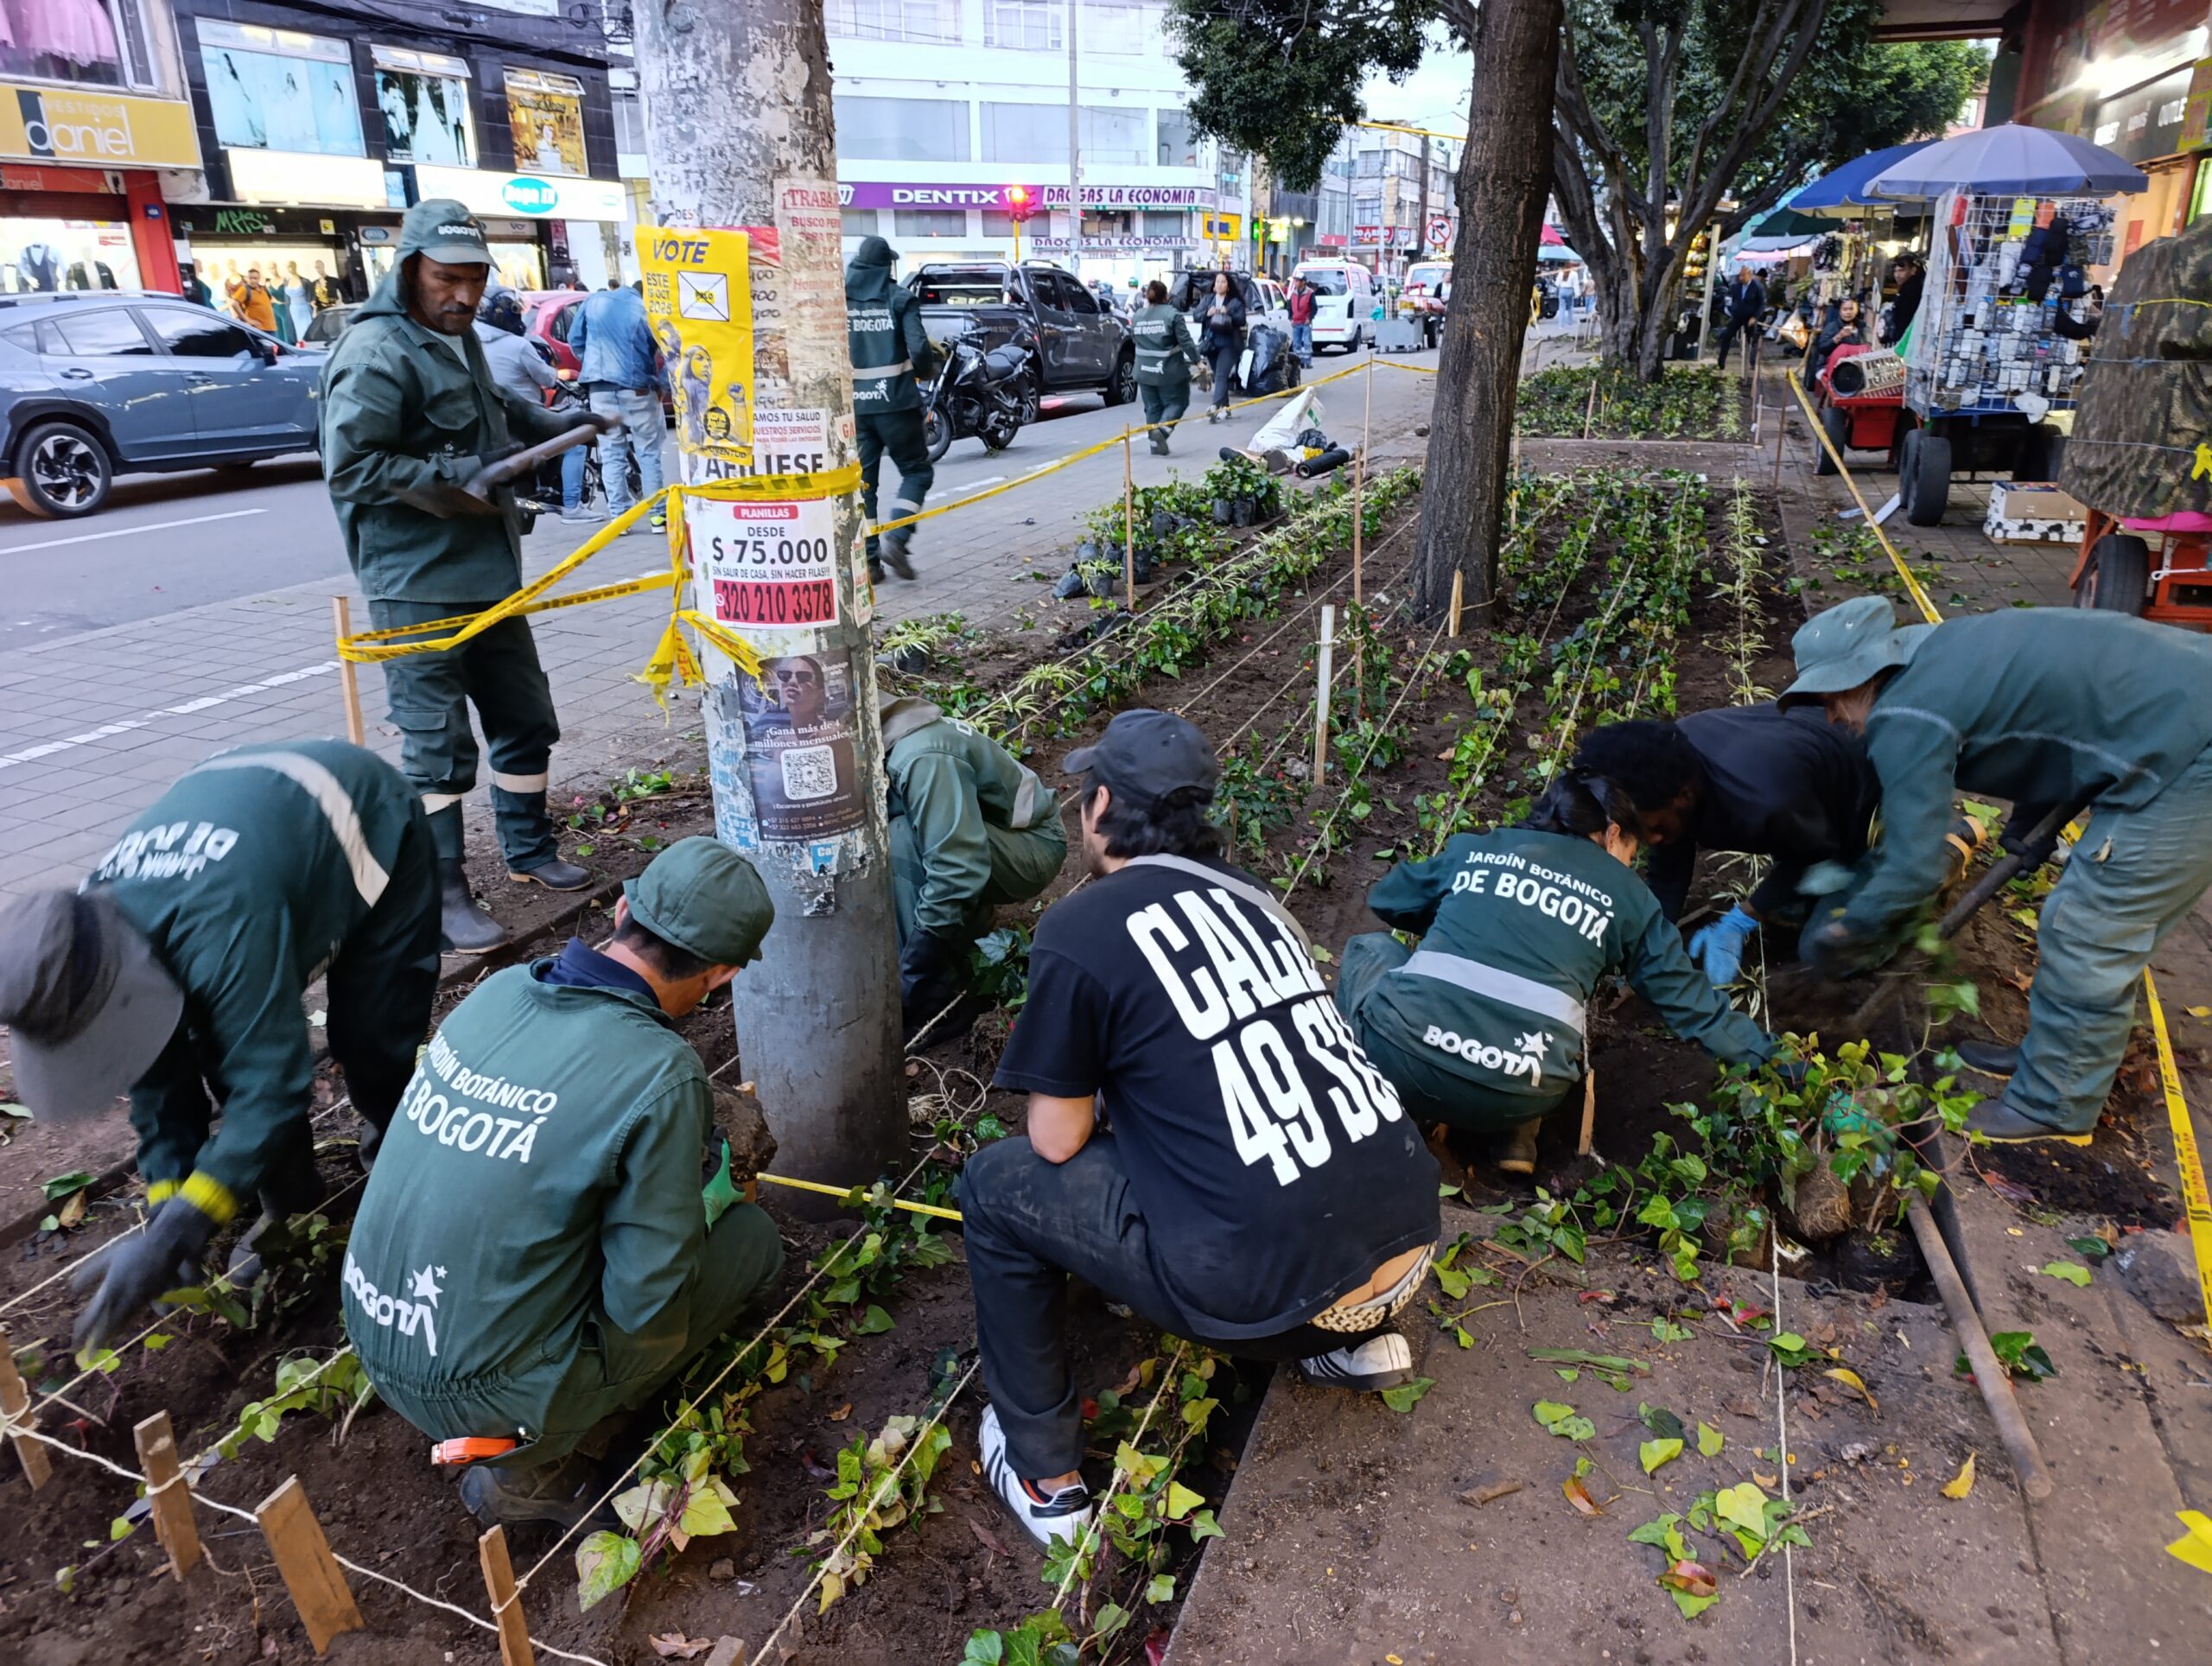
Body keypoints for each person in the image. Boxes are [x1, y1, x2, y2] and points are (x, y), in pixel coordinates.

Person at [960, 709, 1440, 1549]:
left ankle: (1043, 1469)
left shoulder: (1080, 926)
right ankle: (1354, 1342)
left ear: (1099, 803)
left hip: (1258, 1299)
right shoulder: (1251, 898)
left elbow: (1057, 1139)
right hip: (1407, 1254)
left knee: (996, 1185)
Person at [343, 837, 785, 1529]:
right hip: (484, 1396)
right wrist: (698, 1209)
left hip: (373, 1332)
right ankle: (534, 1465)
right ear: (723, 975)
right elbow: (646, 1306)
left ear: (620, 909)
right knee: (753, 1243)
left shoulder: (498, 992)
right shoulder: (659, 1071)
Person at [0, 741, 440, 1351]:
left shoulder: (221, 919)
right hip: (256, 832)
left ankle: (408, 1175)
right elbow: (155, 1080)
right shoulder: (91, 927)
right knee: (211, 1048)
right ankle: (294, 1210)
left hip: (370, 818)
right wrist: (165, 1210)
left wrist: (183, 1229)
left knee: (370, 1044)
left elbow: (271, 1090)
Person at [1781, 595, 2212, 1142]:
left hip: (2194, 748)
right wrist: (2027, 826)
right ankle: (2055, 1058)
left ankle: (2054, 1103)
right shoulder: (1943, 653)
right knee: (2080, 922)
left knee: (2090, 928)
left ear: (1860, 679)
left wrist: (1852, 929)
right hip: (2175, 710)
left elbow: (1914, 866)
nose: (1834, 719)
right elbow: (2051, 720)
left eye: (1831, 700)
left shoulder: (1907, 712)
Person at [321, 200, 618, 953]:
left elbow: (492, 409)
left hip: (489, 575)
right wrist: (463, 473)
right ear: (409, 270)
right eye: (446, 279)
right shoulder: (375, 352)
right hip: (416, 582)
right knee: (437, 745)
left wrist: (553, 425)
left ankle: (528, 848)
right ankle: (443, 892)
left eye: (475, 280)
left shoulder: (457, 340)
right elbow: (352, 465)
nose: (463, 295)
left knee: (524, 715)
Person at [1334, 747, 1778, 1175]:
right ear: (1611, 834)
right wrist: (1780, 1067)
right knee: (1557, 1006)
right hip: (1521, 1091)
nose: (1629, 864)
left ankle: (1357, 1106)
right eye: (1632, 851)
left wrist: (1471, 912)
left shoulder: (1482, 849)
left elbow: (1388, 898)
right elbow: (1693, 1008)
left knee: (1371, 950)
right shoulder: (1628, 898)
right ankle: (1515, 1136)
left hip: (1402, 1060)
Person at [1573, 709, 1880, 986]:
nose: (1650, 840)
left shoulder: (1762, 801)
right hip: (1811, 790)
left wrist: (1742, 917)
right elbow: (1669, 867)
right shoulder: (1668, 764)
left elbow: (1812, 854)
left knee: (1820, 949)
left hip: (1871, 810)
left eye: (1653, 829)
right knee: (1789, 897)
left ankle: (1895, 908)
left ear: (1684, 797)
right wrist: (1646, 948)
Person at [882, 693, 1067, 1036]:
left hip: (1035, 845)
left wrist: (916, 973)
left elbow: (957, 869)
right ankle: (966, 932)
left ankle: (938, 1002)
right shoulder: (896, 733)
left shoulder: (921, 756)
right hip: (995, 836)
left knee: (901, 843)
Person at [846, 235, 938, 584]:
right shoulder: (900, 298)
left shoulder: (840, 300)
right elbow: (919, 348)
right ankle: (897, 539)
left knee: (864, 485)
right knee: (917, 472)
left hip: (856, 410)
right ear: (886, 266)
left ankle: (870, 564)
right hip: (897, 404)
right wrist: (926, 372)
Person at [474, 290, 591, 521]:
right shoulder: (519, 345)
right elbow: (547, 379)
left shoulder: (472, 343)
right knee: (575, 444)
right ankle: (572, 507)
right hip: (527, 418)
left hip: (490, 420)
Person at [569, 276, 667, 534]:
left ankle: (620, 520)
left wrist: (592, 365)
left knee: (611, 454)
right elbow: (663, 350)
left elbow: (575, 340)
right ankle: (657, 517)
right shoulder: (645, 310)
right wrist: (660, 384)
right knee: (648, 452)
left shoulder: (594, 301)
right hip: (637, 389)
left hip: (599, 389)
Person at [1128, 277, 1204, 456]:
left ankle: (1155, 446)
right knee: (1178, 401)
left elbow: (1134, 339)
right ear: (1166, 297)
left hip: (1144, 372)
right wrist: (1198, 362)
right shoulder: (1173, 315)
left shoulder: (1138, 316)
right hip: (1168, 371)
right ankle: (1162, 432)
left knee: (1152, 407)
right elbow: (1186, 342)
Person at [1199, 271, 1246, 425]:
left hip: (1229, 344)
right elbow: (1196, 315)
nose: (1219, 285)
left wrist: (1229, 313)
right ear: (1213, 286)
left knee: (1221, 375)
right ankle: (1225, 407)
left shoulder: (1234, 302)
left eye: (1223, 282)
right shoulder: (1207, 300)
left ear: (1228, 286)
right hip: (1212, 344)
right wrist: (1208, 313)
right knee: (1220, 376)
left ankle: (1214, 407)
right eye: (1217, 282)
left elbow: (1241, 320)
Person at [1712, 267, 1766, 371]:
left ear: (1749, 275)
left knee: (1752, 339)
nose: (1741, 278)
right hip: (1737, 316)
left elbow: (1761, 304)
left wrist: (1755, 317)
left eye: (1743, 276)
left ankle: (1753, 363)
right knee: (1726, 336)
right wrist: (1731, 310)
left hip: (1750, 317)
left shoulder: (1757, 287)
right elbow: (1730, 299)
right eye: (1740, 276)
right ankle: (1721, 363)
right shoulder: (1736, 287)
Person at [1807, 296, 1867, 385]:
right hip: (1831, 366)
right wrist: (1838, 337)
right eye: (1845, 309)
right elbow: (1821, 348)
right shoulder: (1832, 326)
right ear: (1840, 312)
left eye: (1851, 309)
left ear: (1856, 310)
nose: (1848, 312)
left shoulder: (1861, 326)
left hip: (1854, 365)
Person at [1884, 256, 1924, 347]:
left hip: (1908, 339)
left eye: (1902, 271)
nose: (1897, 275)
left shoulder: (1914, 289)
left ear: (1913, 270)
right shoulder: (1906, 287)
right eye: (1895, 271)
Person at [230, 266, 276, 334]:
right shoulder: (245, 289)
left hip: (270, 327)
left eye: (255, 278)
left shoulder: (263, 289)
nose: (252, 280)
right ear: (247, 278)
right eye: (250, 278)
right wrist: (247, 320)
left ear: (259, 279)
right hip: (258, 328)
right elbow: (234, 303)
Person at [1287, 275, 1316, 363]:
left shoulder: (1310, 293)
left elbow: (1314, 307)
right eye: (1295, 281)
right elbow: (1290, 307)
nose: (1296, 283)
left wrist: (1309, 318)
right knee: (1296, 344)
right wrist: (1291, 318)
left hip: (1305, 322)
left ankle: (1307, 362)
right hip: (1296, 322)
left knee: (1307, 343)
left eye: (1298, 281)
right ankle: (1298, 363)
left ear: (1303, 282)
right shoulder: (1293, 294)